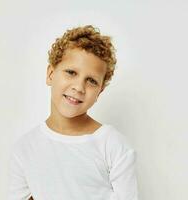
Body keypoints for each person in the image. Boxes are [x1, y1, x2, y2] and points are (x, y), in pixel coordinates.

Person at [8, 25, 139, 200]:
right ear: (50, 74)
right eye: (71, 72)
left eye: (91, 81)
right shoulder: (25, 148)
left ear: (99, 92)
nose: (78, 87)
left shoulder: (113, 145)